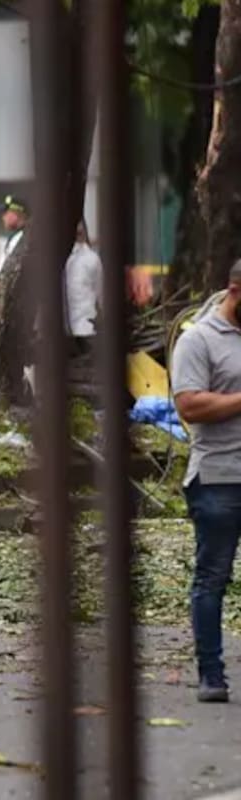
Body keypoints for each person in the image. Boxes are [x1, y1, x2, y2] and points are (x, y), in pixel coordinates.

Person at [172, 259, 241, 703]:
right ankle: (211, 674)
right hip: (219, 478)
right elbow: (189, 405)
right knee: (213, 577)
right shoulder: (197, 339)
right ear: (234, 290)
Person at [64, 220, 102, 351]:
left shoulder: (91, 259)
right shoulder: (59, 257)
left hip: (84, 331)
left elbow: (100, 295)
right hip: (68, 333)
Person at [0, 194, 28, 284]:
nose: (2, 217)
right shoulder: (15, 238)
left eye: (6, 212)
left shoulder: (24, 238)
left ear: (16, 213)